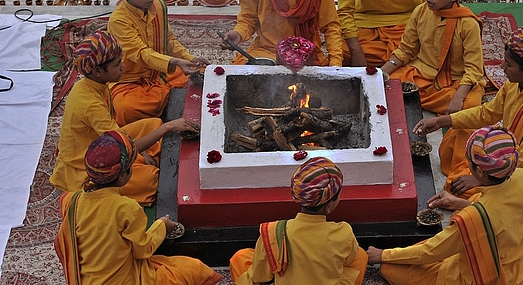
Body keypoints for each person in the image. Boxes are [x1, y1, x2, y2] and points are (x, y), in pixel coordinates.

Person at [367, 125, 523, 285]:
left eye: (469, 163)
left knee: (390, 269)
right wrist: (459, 203)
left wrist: (382, 254)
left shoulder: (472, 218)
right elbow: (499, 214)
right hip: (518, 263)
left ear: (479, 171)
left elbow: (430, 252)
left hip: (482, 276)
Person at [413, 24, 523, 210]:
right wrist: (441, 121)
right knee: (458, 139)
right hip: (505, 157)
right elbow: (487, 113)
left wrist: (477, 178)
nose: (502, 67)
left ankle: (470, 206)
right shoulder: (513, 85)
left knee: (462, 190)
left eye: (509, 64)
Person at [49, 30, 199, 206]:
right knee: (151, 180)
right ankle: (144, 165)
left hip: (105, 142)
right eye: (117, 64)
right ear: (97, 71)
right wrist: (168, 128)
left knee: (154, 123)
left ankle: (144, 158)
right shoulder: (89, 104)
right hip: (89, 165)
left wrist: (142, 150)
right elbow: (120, 148)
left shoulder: (94, 84)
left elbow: (116, 134)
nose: (123, 67)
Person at [54, 130, 222, 285]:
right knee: (195, 270)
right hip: (124, 280)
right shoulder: (126, 208)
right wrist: (162, 225)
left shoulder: (72, 199)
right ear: (122, 178)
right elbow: (143, 250)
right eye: (131, 166)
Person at [107, 0, 210, 126]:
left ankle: (167, 102)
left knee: (201, 78)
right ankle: (163, 112)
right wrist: (176, 62)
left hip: (161, 74)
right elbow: (142, 53)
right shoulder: (119, 20)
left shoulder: (158, 6)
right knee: (126, 109)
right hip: (130, 82)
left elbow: (168, 41)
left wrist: (189, 58)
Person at [229, 156, 368, 284]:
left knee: (240, 258)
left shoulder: (273, 232)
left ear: (298, 197)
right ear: (330, 205)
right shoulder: (344, 233)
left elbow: (260, 277)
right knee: (360, 255)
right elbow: (349, 259)